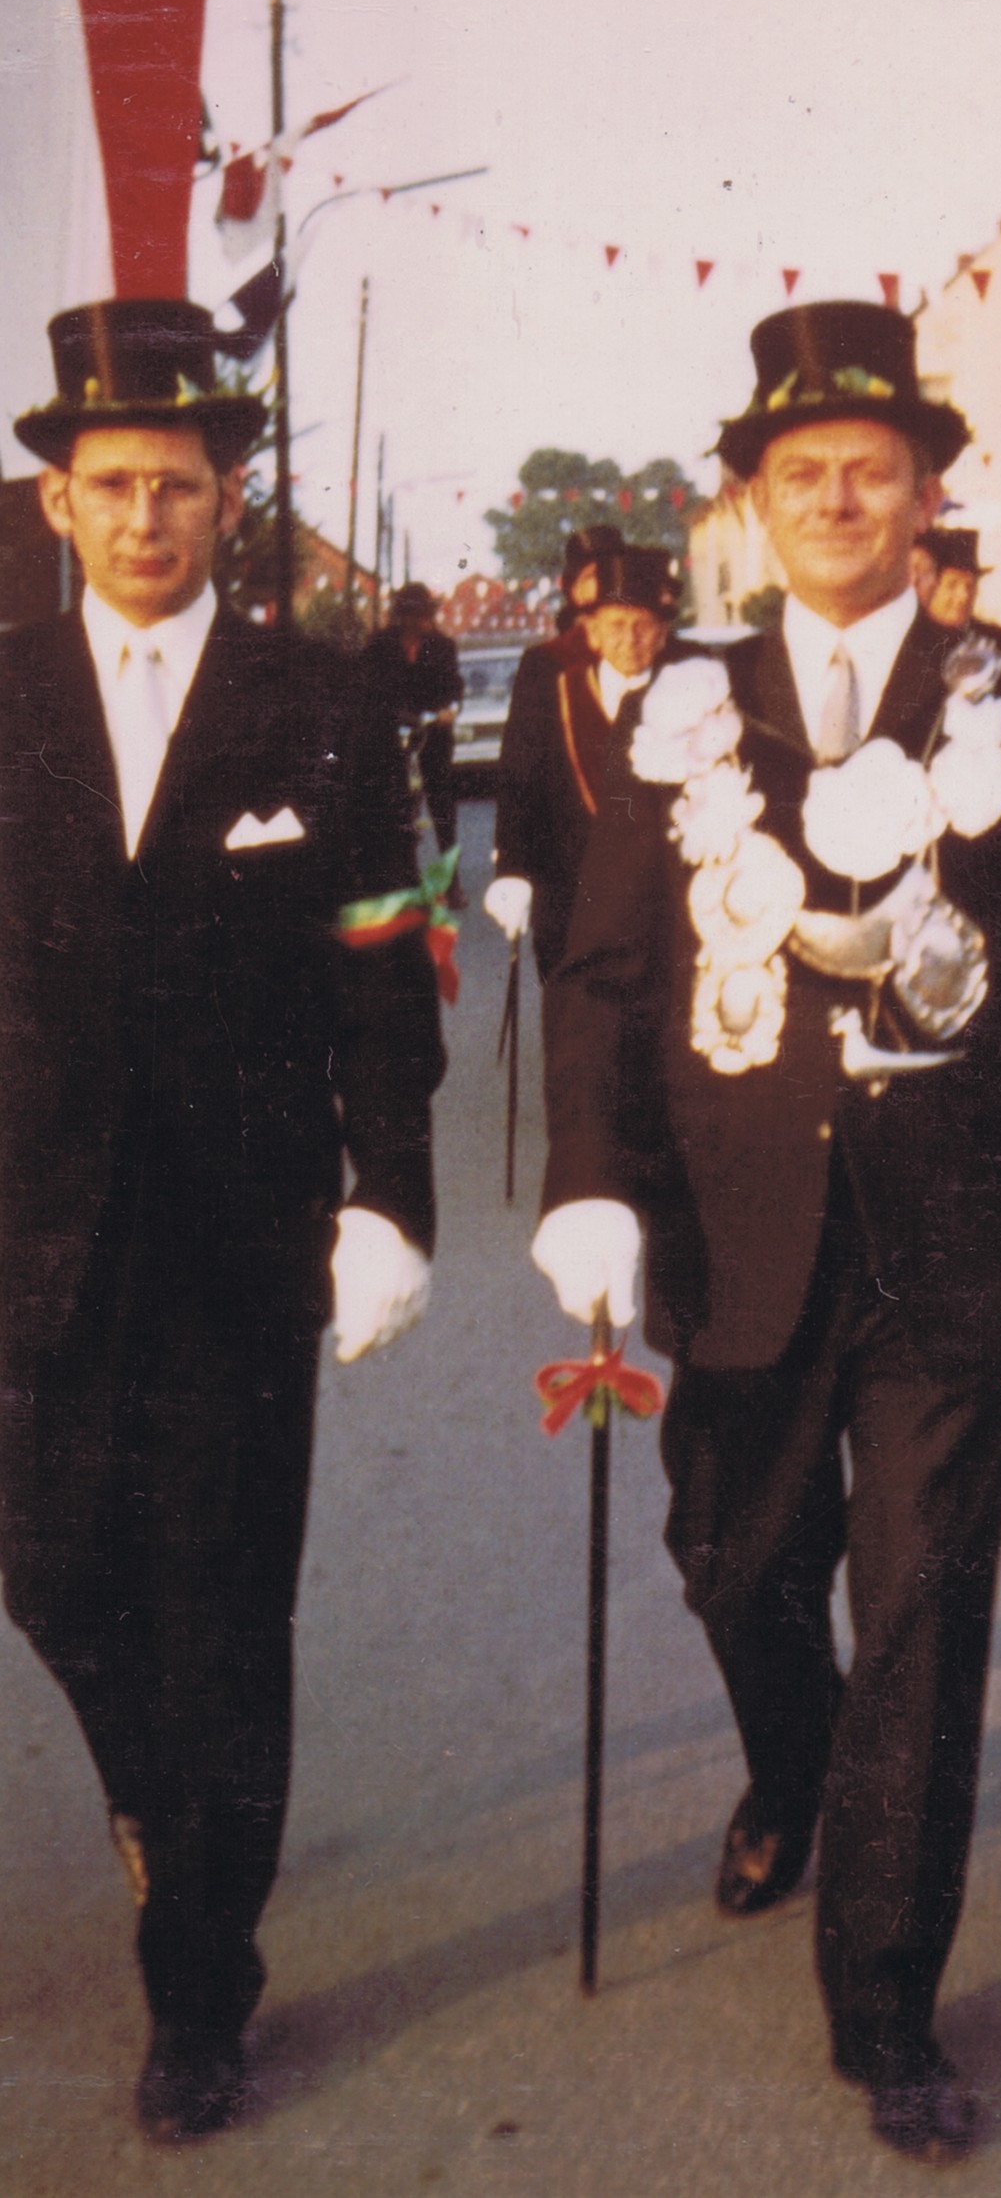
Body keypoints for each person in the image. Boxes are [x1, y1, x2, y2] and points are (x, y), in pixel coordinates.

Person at [529, 300, 1001, 2161]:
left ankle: (886, 2002)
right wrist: (588, 1181)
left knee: (922, 1617)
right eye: (798, 472)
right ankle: (794, 1765)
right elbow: (604, 971)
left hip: (958, 1238)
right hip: (736, 1233)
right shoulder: (681, 702)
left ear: (924, 494)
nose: (832, 499)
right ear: (754, 498)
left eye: (867, 471)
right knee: (732, 1563)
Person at [0, 299, 445, 2142]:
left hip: (236, 1246)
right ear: (58, 501)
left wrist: (391, 1199)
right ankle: (152, 1799)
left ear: (228, 495)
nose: (144, 518)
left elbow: (385, 978)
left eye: (176, 485)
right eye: (110, 485)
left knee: (222, 1618)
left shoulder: (321, 705)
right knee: (47, 1571)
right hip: (24, 1234)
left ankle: (200, 1988)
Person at [485, 541, 689, 979]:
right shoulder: (560, 685)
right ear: (592, 630)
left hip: (670, 916)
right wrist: (513, 870)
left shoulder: (693, 681)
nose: (629, 639)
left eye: (643, 625)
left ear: (662, 632)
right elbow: (520, 780)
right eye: (616, 625)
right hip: (573, 905)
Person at [360, 580, 463, 901]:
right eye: (408, 615)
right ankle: (406, 880)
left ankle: (452, 882)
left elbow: (454, 689)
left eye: (420, 616)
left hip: (433, 734)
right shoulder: (379, 645)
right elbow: (367, 686)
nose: (414, 622)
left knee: (442, 806)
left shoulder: (443, 646)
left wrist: (449, 710)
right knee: (395, 807)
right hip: (391, 733)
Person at [911, 524, 988, 629]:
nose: (964, 596)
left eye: (970, 586)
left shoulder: (988, 636)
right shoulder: (901, 633)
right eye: (952, 585)